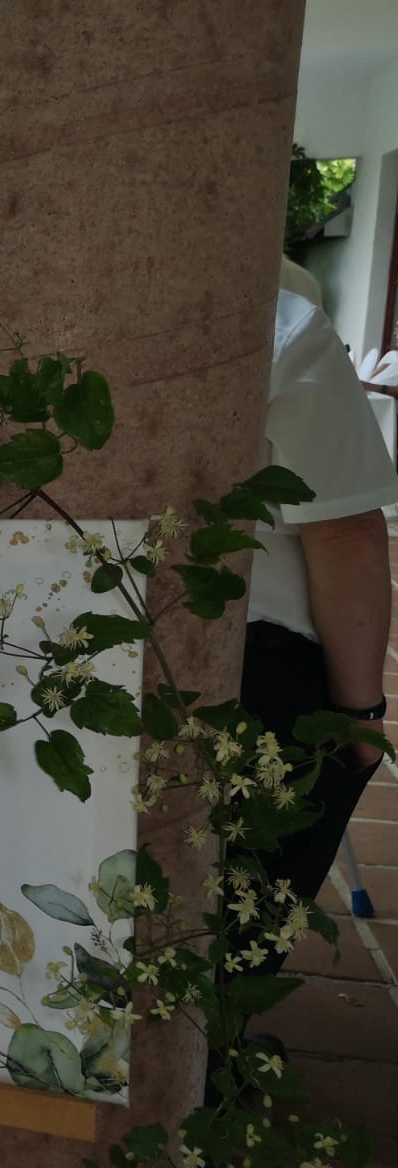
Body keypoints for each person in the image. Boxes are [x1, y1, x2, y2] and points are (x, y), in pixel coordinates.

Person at [240, 259, 398, 941]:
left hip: (21, 634)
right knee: (236, 911)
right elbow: (345, 532)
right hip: (250, 669)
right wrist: (361, 715)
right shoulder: (275, 316)